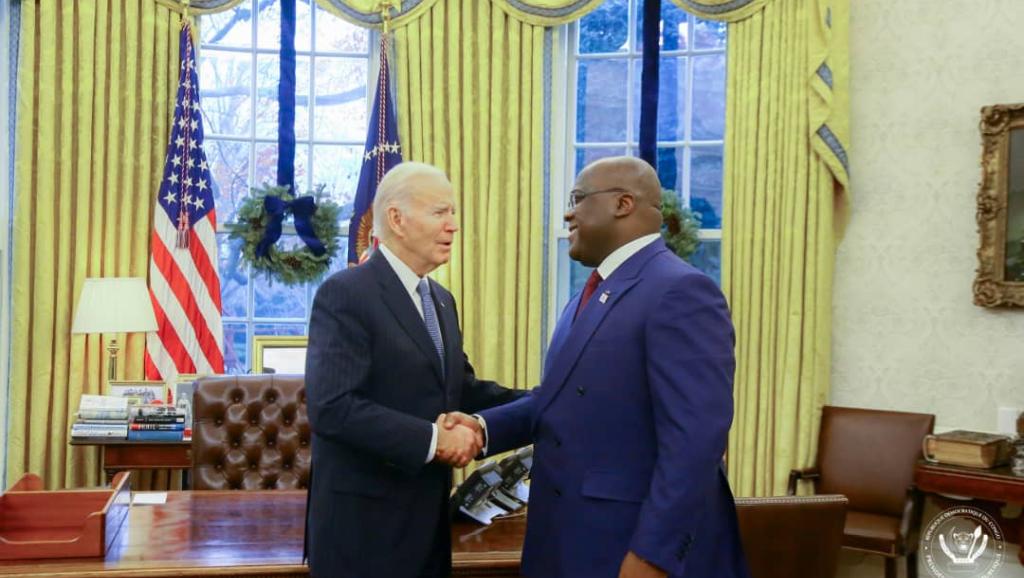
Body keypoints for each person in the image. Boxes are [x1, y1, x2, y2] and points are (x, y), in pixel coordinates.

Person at [445, 156, 751, 578]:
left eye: (577, 199)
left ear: (623, 204)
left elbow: (695, 442)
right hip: (566, 540)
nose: (568, 214)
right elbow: (559, 401)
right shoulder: (587, 296)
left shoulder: (680, 291)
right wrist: (483, 428)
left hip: (628, 546)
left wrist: (654, 555)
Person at [304, 162, 525, 578]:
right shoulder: (346, 294)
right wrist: (435, 440)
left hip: (428, 531)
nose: (453, 225)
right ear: (397, 219)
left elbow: (461, 390)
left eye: (453, 213)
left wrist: (545, 402)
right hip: (363, 538)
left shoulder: (440, 300)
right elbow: (332, 407)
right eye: (440, 212)